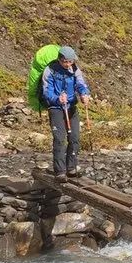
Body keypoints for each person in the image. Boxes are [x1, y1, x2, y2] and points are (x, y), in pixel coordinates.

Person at [42, 46, 90, 180]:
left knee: (74, 138)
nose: (68, 64)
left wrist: (84, 95)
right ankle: (60, 171)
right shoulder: (49, 71)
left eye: (70, 61)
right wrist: (57, 99)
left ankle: (71, 168)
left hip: (71, 107)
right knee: (60, 139)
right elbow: (46, 92)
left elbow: (81, 84)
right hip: (56, 108)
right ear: (59, 59)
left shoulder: (74, 69)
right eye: (65, 62)